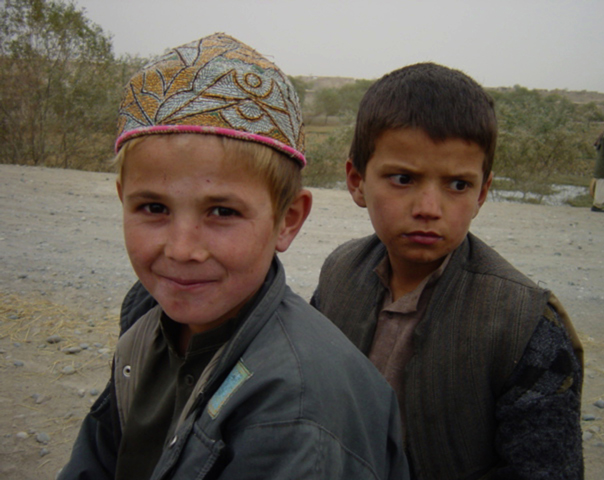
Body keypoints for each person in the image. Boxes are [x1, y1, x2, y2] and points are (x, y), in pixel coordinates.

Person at [58, 33, 409, 480]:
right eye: (153, 208)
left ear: (288, 220)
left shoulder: (300, 412)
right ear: (122, 200)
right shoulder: (146, 326)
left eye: (222, 212)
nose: (182, 249)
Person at [310, 63, 585, 479]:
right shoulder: (339, 274)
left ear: (482, 193)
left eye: (458, 185)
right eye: (403, 178)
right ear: (356, 181)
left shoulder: (526, 324)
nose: (428, 208)